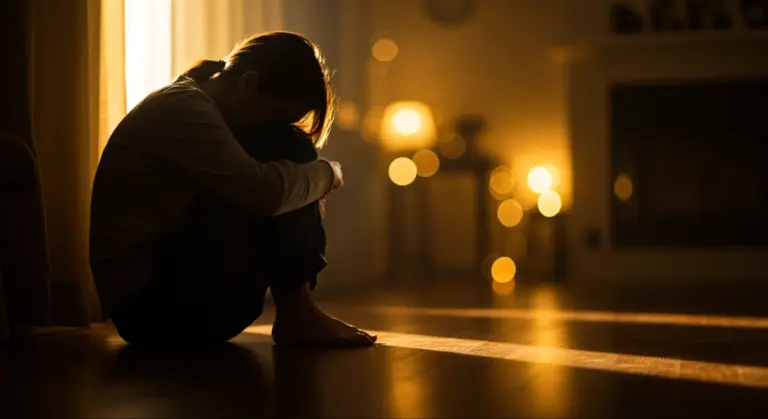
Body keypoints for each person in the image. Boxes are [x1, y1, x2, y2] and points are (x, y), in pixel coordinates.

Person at [90, 32, 376, 347]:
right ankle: (299, 312)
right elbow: (263, 194)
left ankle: (299, 311)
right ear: (248, 84)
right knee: (287, 147)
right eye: (274, 114)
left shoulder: (189, 100)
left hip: (170, 306)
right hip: (152, 311)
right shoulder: (183, 109)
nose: (270, 125)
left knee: (287, 159)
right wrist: (328, 173)